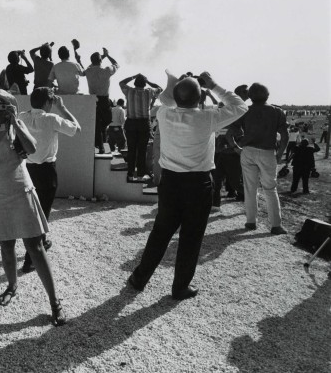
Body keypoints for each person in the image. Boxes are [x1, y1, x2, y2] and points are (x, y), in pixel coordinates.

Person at [127, 70, 247, 300]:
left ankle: (139, 278)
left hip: (170, 182)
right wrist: (213, 85)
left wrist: (180, 87)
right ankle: (180, 287)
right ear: (200, 97)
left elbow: (166, 100)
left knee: (160, 232)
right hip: (198, 183)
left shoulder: (164, 114)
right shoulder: (208, 117)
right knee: (191, 238)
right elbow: (240, 106)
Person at [0, 89, 66, 326]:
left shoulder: (16, 125)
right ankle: (12, 286)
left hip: (20, 188)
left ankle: (55, 302)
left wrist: (15, 120)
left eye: (2, 104)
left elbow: (32, 148)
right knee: (6, 245)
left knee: (35, 246)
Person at [18, 88, 80, 273]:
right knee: (41, 214)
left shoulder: (22, 116)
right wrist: (63, 108)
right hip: (46, 171)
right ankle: (30, 260)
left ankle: (42, 242)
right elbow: (76, 128)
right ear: (47, 103)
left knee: (32, 212)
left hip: (27, 170)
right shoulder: (52, 119)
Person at [236, 83, 288, 235]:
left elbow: (233, 130)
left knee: (250, 188)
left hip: (248, 151)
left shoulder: (245, 111)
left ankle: (251, 221)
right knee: (270, 188)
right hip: (267, 151)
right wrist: (280, 154)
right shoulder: (276, 111)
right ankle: (276, 225)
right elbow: (284, 135)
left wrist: (236, 147)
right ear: (267, 95)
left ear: (250, 97)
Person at [119, 73, 163, 181]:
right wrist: (148, 81)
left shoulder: (129, 91)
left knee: (131, 149)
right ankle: (140, 175)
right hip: (143, 124)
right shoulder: (149, 92)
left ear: (135, 83)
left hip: (131, 123)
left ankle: (130, 175)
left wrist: (133, 76)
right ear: (144, 83)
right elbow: (160, 88)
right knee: (142, 150)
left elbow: (121, 83)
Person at [83, 46, 120, 154]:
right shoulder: (107, 70)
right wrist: (107, 55)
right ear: (101, 60)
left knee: (98, 125)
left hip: (92, 99)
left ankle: (100, 144)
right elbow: (117, 64)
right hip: (104, 99)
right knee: (105, 122)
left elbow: (89, 67)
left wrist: (101, 57)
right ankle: (101, 145)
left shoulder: (89, 71)